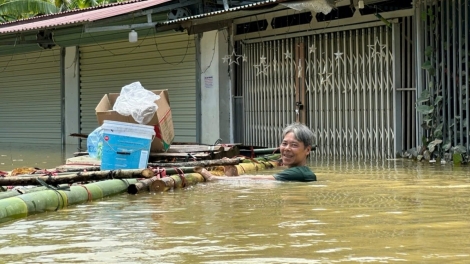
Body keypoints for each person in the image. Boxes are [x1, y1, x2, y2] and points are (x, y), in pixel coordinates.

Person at [198, 122, 317, 182]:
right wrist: (231, 173)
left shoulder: (298, 173)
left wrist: (213, 178)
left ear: (307, 150)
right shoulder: (300, 172)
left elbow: (256, 180)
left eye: (294, 145)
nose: (287, 148)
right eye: (284, 143)